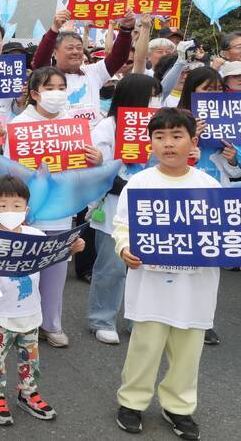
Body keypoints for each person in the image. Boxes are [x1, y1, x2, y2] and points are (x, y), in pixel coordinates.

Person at [113, 108, 229, 440]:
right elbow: (123, 226)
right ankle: (132, 402)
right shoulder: (140, 182)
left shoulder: (209, 185)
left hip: (196, 287)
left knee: (188, 351)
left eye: (177, 136)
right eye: (159, 136)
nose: (168, 144)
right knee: (144, 346)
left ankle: (179, 406)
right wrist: (124, 248)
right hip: (150, 282)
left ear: (193, 141)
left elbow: (227, 232)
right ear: (150, 143)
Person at [5, 67, 103, 348]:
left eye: (61, 87)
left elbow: (85, 165)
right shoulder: (20, 124)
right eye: (50, 88)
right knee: (25, 271)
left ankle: (51, 324)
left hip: (61, 209)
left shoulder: (72, 123)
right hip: (30, 209)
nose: (57, 93)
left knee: (56, 269)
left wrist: (96, 158)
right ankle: (21, 324)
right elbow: (14, 170)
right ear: (35, 93)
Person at [0, 176, 82, 426]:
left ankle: (28, 392)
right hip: (0, 312)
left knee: (30, 358)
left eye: (16, 206)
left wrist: (74, 248)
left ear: (26, 209)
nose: (10, 211)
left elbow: (54, 256)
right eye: (3, 206)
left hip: (31, 311)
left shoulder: (36, 235)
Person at [88, 73, 162, 346]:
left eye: (158, 95)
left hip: (150, 205)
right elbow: (97, 168)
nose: (155, 101)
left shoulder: (159, 126)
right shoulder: (108, 126)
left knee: (144, 266)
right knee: (113, 266)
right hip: (115, 204)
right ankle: (102, 318)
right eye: (151, 95)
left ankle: (137, 317)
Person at [31, 9, 136, 114]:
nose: (75, 52)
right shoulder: (47, 76)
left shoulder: (93, 72)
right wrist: (54, 29)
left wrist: (126, 30)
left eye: (79, 48)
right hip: (60, 129)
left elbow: (118, 57)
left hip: (91, 129)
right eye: (70, 48)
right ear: (54, 53)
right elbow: (39, 62)